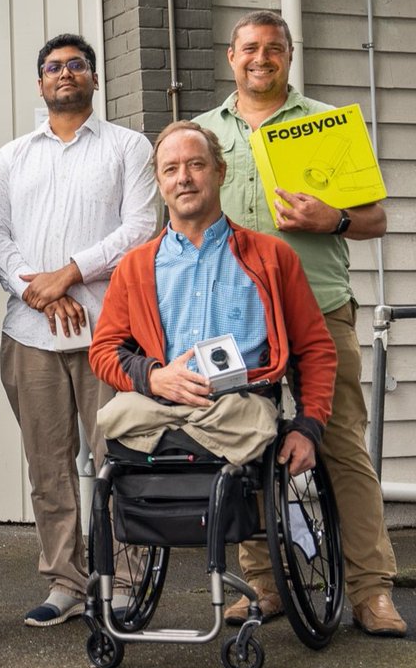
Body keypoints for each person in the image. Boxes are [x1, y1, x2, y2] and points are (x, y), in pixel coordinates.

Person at [193, 11, 406, 636]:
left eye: (274, 49)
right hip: (235, 318)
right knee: (246, 442)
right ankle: (262, 583)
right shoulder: (202, 134)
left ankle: (372, 591)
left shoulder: (326, 126)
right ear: (230, 56)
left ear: (290, 55)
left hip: (319, 305)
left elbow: (375, 220)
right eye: (250, 48)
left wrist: (331, 218)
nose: (261, 58)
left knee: (341, 446)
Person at [0, 34, 157, 627]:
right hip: (30, 332)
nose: (64, 74)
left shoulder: (129, 148)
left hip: (109, 333)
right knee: (49, 466)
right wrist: (35, 288)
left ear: (94, 78)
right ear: (40, 83)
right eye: (53, 67)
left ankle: (128, 580)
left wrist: (70, 274)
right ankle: (66, 582)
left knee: (119, 458)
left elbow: (139, 228)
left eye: (75, 65)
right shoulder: (13, 156)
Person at [90, 120, 335, 490]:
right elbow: (104, 351)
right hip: (160, 406)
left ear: (220, 172)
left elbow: (314, 349)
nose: (183, 178)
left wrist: (308, 428)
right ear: (160, 184)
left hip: (237, 407)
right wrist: (155, 376)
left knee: (250, 422)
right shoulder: (135, 266)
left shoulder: (272, 258)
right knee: (113, 417)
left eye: (196, 165)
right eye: (170, 170)